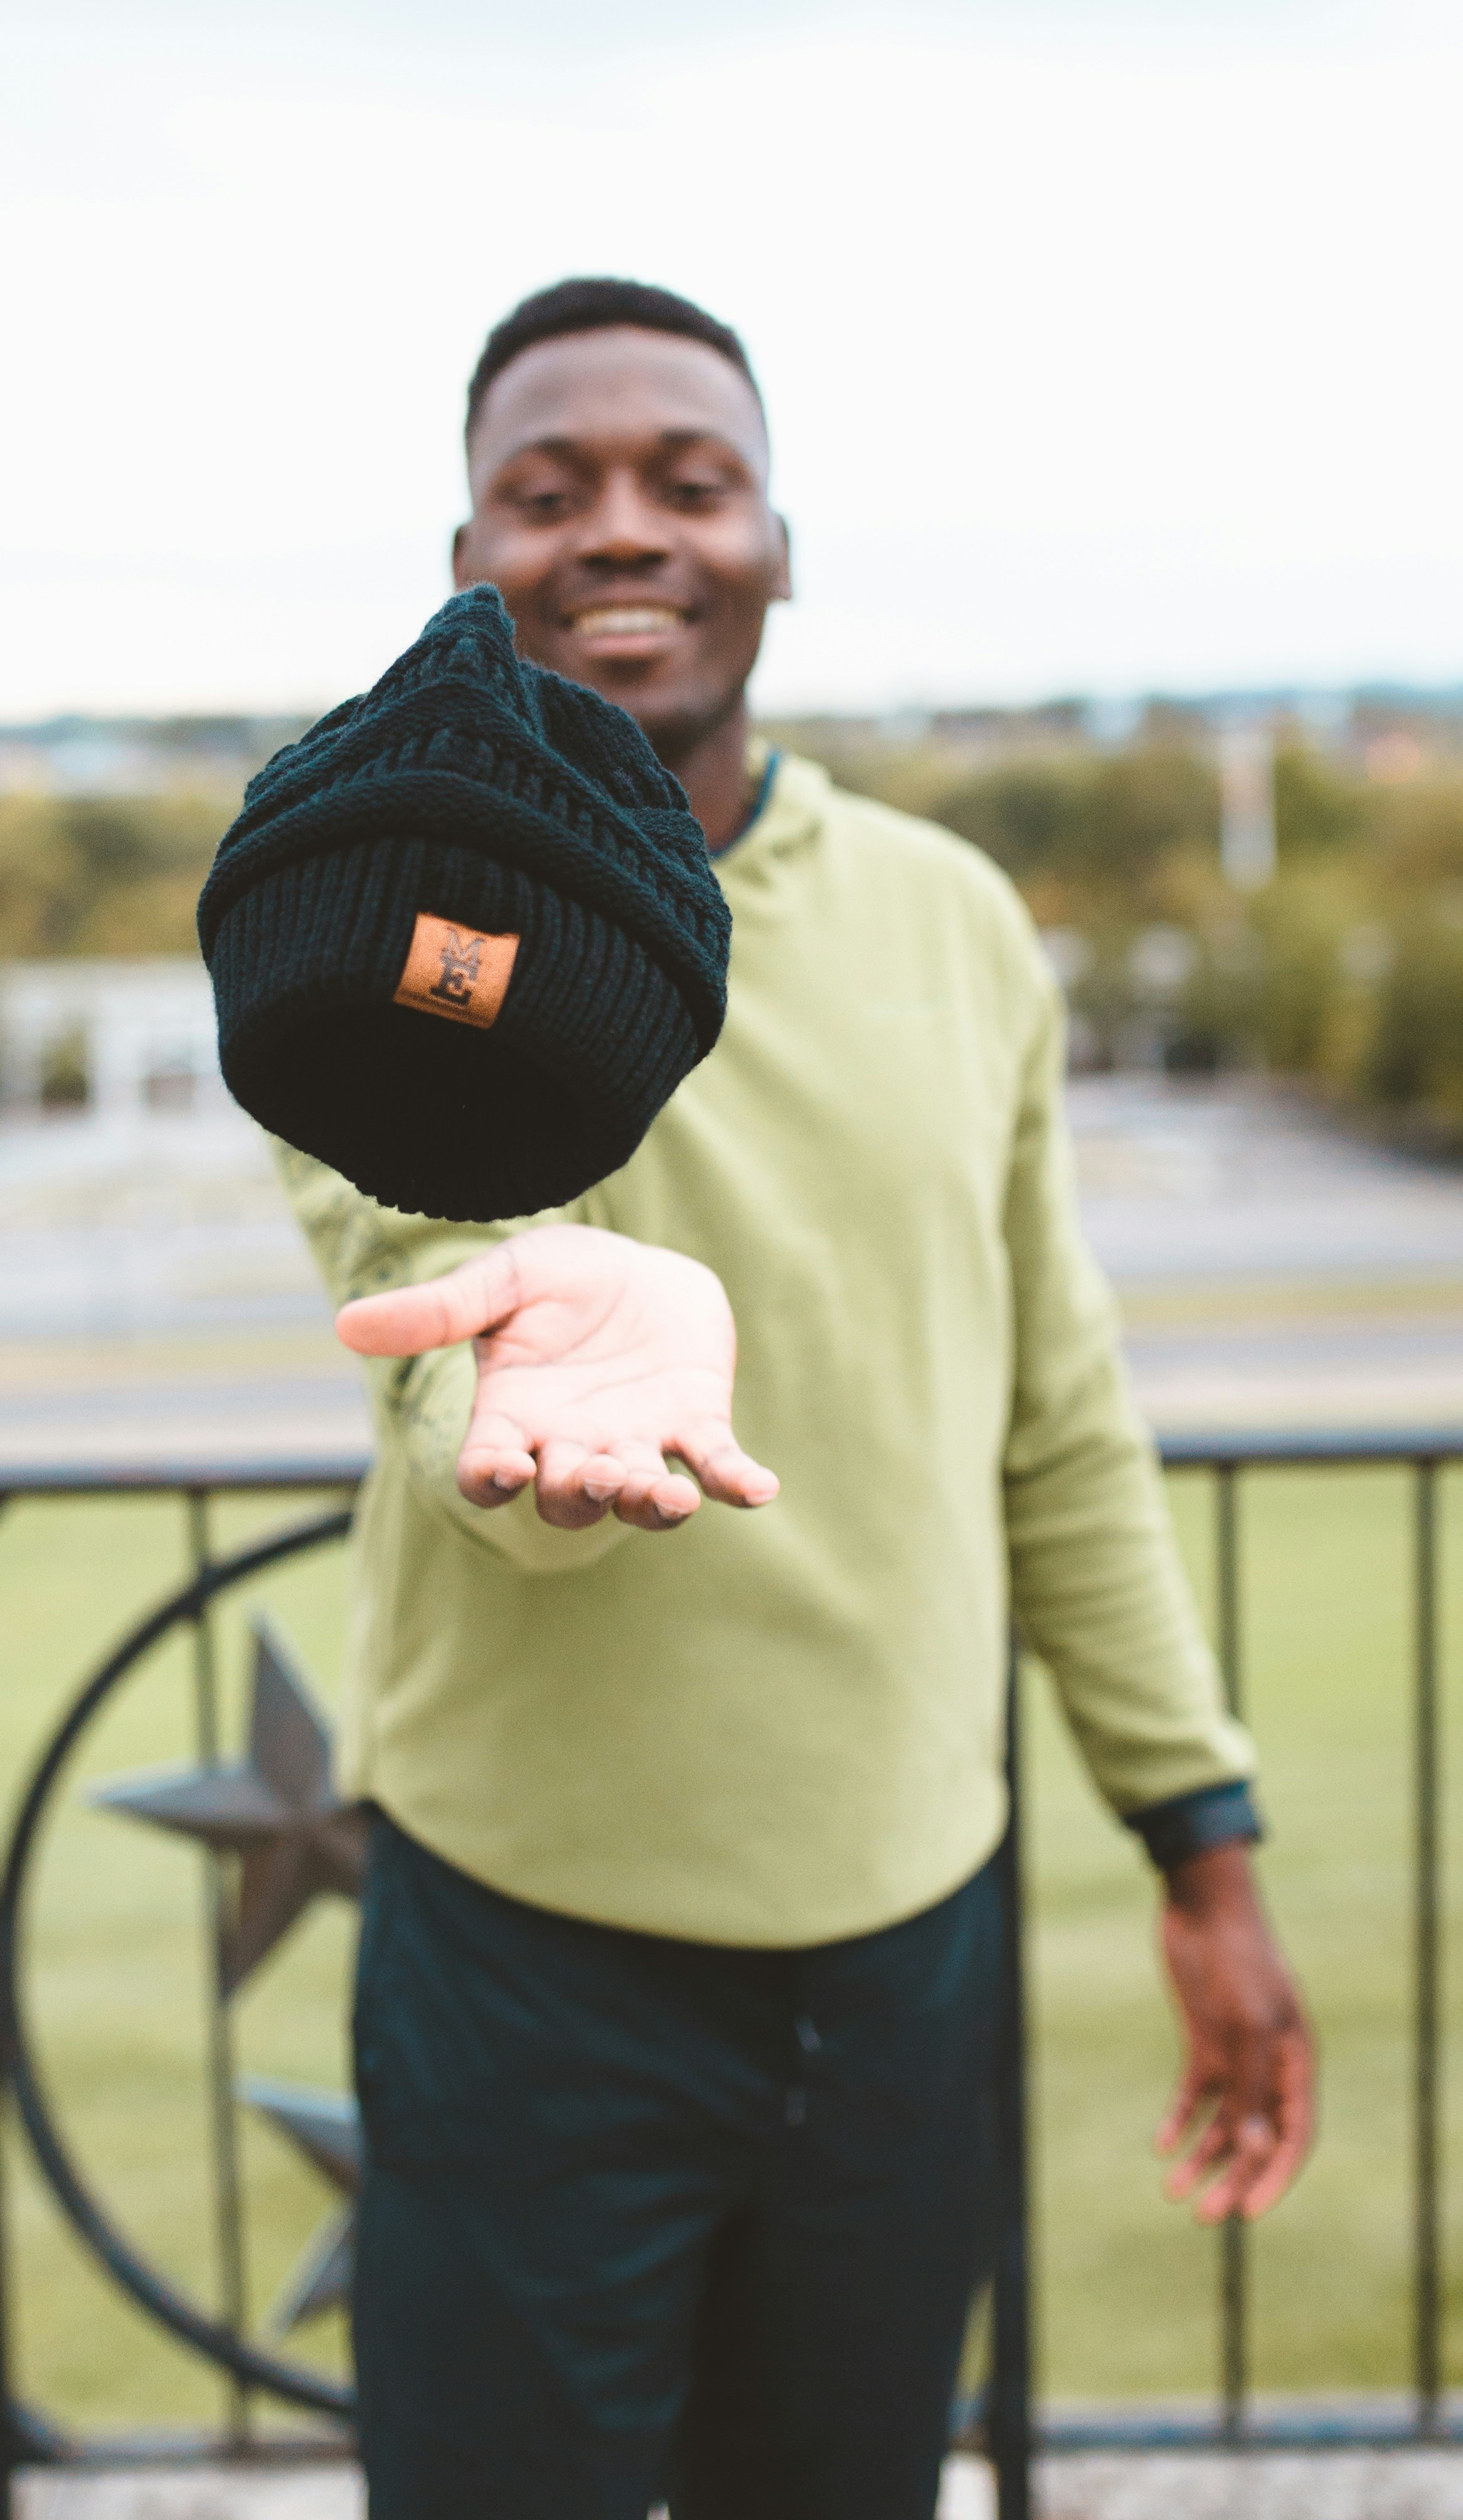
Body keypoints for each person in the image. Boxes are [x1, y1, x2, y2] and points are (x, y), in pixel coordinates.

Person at [274, 276, 1313, 2520]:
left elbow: (1058, 1418)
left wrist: (1199, 1843)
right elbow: (444, 1360)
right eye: (545, 491)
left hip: (906, 1951)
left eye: (689, 481)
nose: (619, 530)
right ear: (468, 564)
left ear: (774, 546)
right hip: (523, 1955)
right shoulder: (390, 922)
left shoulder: (951, 919)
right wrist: (531, 1406)